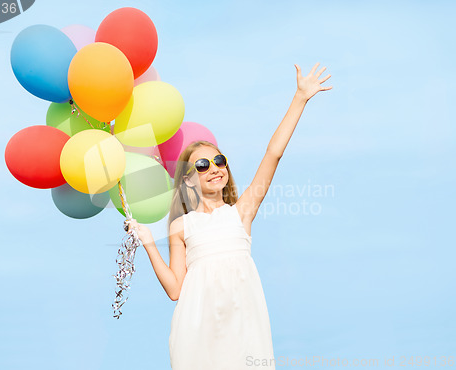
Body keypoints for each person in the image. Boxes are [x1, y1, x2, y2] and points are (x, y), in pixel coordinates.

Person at [127, 62, 332, 369]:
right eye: (202, 165)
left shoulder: (241, 213)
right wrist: (148, 242)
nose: (214, 169)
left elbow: (273, 154)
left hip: (244, 326)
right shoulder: (182, 226)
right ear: (187, 179)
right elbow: (174, 290)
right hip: (197, 332)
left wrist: (299, 98)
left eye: (219, 161)